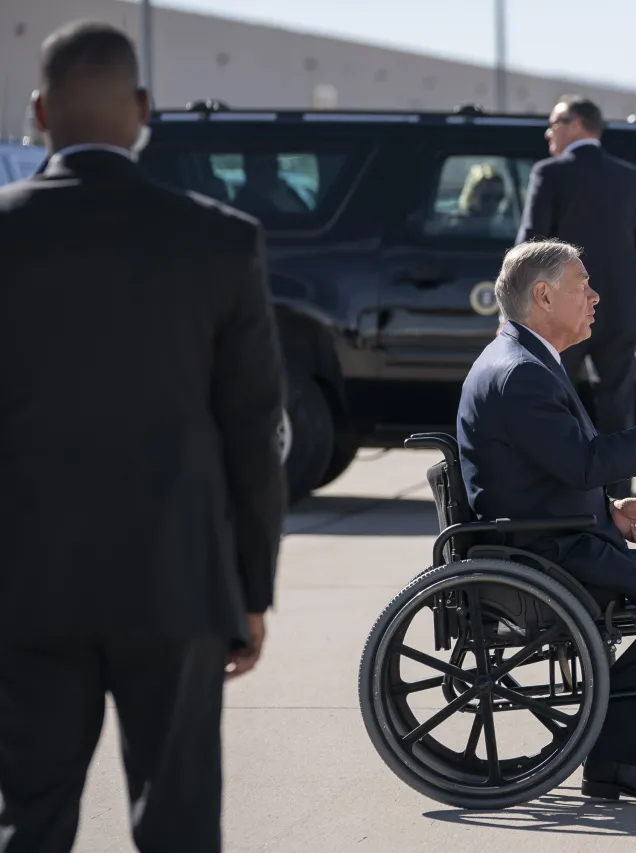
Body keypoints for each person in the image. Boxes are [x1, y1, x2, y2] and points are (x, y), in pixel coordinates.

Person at [0, 21, 286, 852]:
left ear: (39, 111)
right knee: (180, 820)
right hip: (176, 578)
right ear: (143, 110)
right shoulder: (222, 239)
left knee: (31, 818)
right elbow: (253, 430)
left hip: (23, 581)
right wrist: (252, 589)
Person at [457, 238, 636, 805]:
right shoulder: (520, 372)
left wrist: (610, 511)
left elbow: (550, 470)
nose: (596, 297)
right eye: (583, 286)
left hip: (547, 540)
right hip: (546, 558)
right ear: (544, 296)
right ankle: (620, 756)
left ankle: (617, 749)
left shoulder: (520, 360)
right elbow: (583, 463)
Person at [515, 95, 636, 498]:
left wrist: (513, 315)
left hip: (557, 315)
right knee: (617, 409)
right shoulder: (632, 177)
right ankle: (619, 499)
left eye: (554, 124)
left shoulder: (549, 173)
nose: (548, 133)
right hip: (619, 315)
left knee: (550, 404)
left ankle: (560, 493)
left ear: (577, 124)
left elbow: (529, 247)